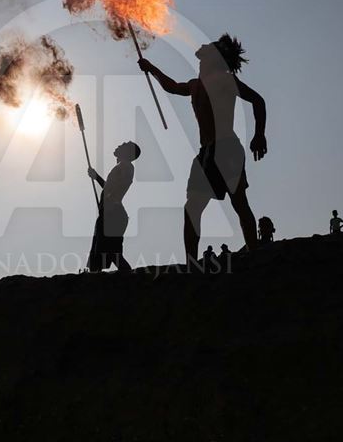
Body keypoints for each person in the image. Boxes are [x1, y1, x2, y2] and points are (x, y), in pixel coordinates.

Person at [138, 33, 267, 263]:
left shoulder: (226, 80)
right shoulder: (195, 85)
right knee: (192, 209)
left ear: (214, 59)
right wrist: (151, 68)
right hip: (206, 153)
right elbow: (173, 87)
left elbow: (258, 100)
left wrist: (259, 135)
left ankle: (255, 251)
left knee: (239, 203)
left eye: (205, 53)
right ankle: (191, 262)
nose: (200, 56)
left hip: (227, 149)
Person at [87, 141, 141, 272]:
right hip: (109, 213)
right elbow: (109, 188)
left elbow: (120, 185)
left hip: (113, 214)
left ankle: (130, 280)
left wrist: (110, 199)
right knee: (99, 254)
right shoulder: (123, 166)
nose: (120, 144)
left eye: (124, 144)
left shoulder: (127, 166)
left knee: (111, 253)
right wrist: (96, 177)